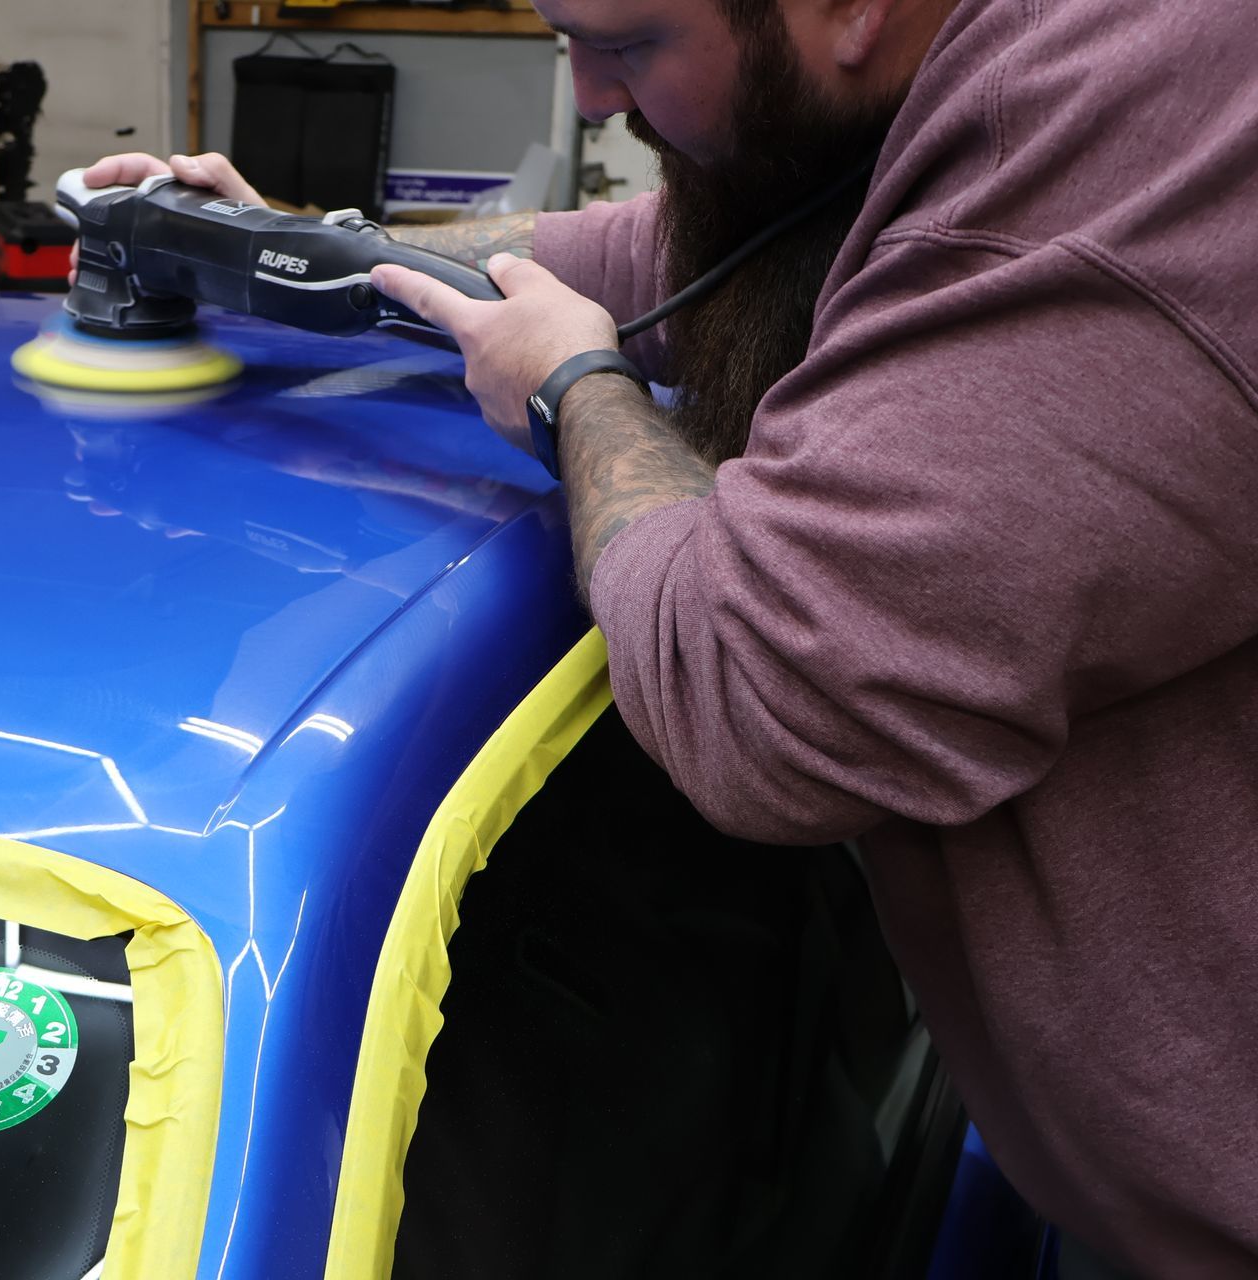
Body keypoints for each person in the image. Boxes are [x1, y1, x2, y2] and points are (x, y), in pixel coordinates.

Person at [85, 0, 1258, 1271]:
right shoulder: (972, 93)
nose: (590, 96)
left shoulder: (1117, 156)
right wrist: (312, 250)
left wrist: (573, 392)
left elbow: (762, 686)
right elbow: (685, 247)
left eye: (628, 42)